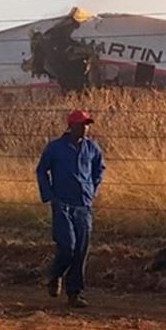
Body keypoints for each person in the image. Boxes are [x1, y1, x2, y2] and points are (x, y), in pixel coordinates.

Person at [36, 110, 106, 308]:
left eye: (87, 124)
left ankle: (74, 293)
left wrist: (93, 189)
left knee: (81, 250)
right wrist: (49, 196)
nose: (85, 128)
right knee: (68, 246)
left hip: (83, 204)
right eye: (81, 124)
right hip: (63, 203)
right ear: (71, 126)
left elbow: (99, 169)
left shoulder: (92, 148)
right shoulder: (56, 148)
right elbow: (42, 170)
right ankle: (55, 274)